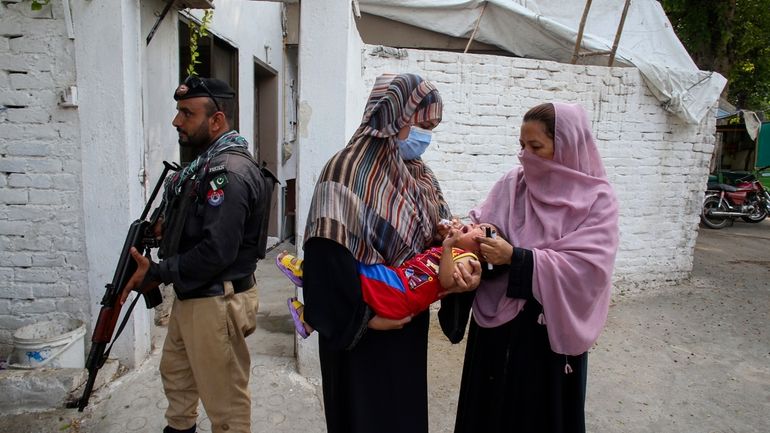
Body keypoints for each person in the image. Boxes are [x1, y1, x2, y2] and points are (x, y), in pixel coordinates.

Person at [302, 73, 482, 433]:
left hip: (406, 327)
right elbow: (324, 261)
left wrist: (458, 263)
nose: (426, 136)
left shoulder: (420, 177)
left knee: (404, 417)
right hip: (361, 335)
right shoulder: (345, 171)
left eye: (433, 127)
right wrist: (363, 319)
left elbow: (437, 242)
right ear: (394, 116)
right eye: (422, 124)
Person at [441, 102, 620, 433]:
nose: (525, 155)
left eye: (536, 146)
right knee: (488, 412)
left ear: (565, 147)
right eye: (522, 146)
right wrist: (468, 240)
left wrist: (518, 258)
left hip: (545, 336)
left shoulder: (598, 199)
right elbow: (486, 226)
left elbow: (589, 272)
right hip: (495, 331)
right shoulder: (513, 183)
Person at [123, 76, 271, 433]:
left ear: (216, 120)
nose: (177, 121)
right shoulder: (203, 166)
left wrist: (158, 273)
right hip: (194, 297)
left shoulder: (227, 173)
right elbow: (200, 224)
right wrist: (167, 229)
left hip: (216, 301)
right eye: (178, 112)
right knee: (177, 381)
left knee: (226, 408)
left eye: (187, 114)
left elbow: (218, 250)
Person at [278, 222, 490, 338]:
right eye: (476, 224)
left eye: (482, 231)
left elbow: (446, 281)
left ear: (484, 252)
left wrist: (447, 246)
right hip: (399, 285)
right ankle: (309, 320)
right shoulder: (456, 250)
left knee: (351, 269)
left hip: (400, 291)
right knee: (352, 281)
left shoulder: (469, 260)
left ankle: (306, 273)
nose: (474, 225)